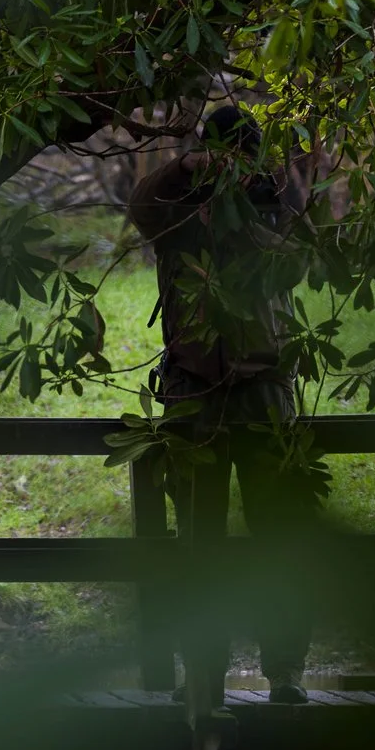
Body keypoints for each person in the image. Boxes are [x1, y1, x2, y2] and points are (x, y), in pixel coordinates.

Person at [126, 105, 318, 709]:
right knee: (195, 543)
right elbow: (141, 208)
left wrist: (253, 200)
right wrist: (188, 170)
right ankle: (202, 675)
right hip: (193, 387)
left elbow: (297, 258)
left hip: (265, 386)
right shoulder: (181, 207)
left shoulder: (277, 197)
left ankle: (285, 672)